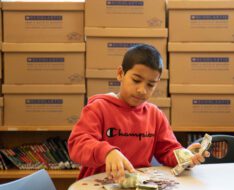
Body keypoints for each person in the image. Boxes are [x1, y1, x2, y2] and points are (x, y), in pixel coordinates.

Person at [68, 44, 210, 181]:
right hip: (96, 189)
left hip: (136, 188)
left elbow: (168, 150)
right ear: (120, 74)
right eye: (136, 80)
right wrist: (107, 152)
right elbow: (77, 144)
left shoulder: (155, 115)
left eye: (150, 85)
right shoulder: (98, 108)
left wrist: (184, 157)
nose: (142, 90)